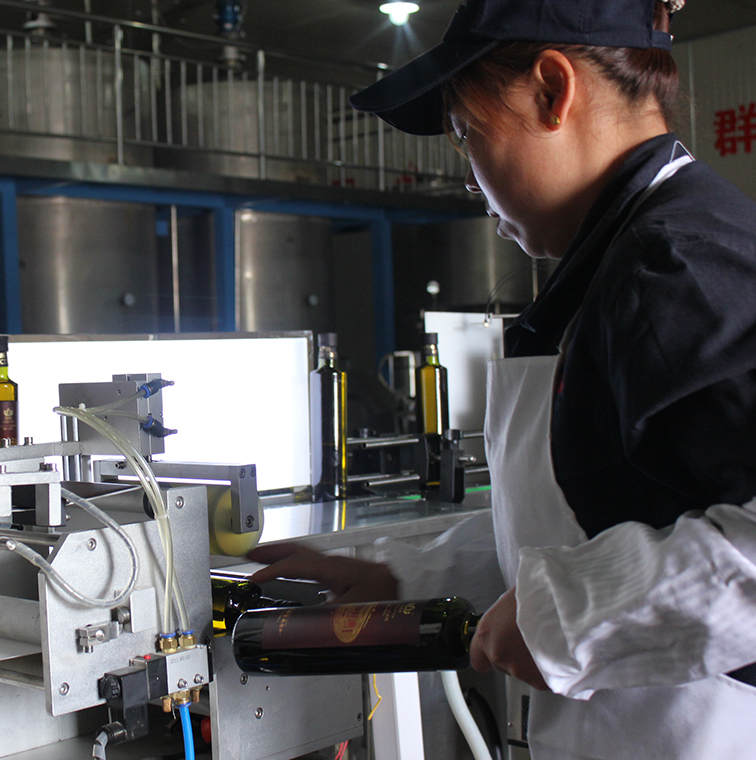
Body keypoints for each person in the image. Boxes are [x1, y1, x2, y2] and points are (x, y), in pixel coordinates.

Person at [248, 1, 756, 757]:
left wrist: (569, 617)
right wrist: (401, 573)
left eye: (467, 134)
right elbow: (593, 526)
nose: (471, 182)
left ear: (552, 90)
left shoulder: (676, 268)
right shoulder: (617, 264)